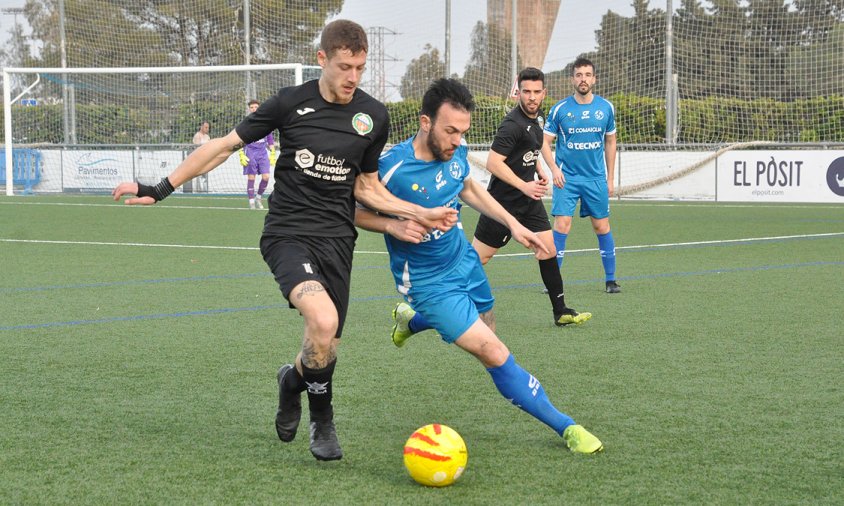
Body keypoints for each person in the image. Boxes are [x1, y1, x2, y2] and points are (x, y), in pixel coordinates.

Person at [112, 19, 457, 462]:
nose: (353, 77)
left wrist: (417, 212)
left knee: (323, 344)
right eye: (345, 66)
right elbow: (221, 147)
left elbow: (367, 188)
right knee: (322, 318)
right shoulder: (289, 103)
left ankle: (290, 381)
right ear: (322, 60)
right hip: (287, 233)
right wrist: (159, 188)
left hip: (338, 240)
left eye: (360, 67)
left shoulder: (374, 116)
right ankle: (324, 424)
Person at [355, 78, 603, 454]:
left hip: (464, 261)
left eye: (463, 132)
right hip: (427, 282)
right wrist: (392, 224)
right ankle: (567, 427)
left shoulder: (455, 150)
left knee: (488, 323)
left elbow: (469, 188)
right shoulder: (390, 169)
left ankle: (411, 321)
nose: (458, 140)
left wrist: (516, 226)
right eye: (450, 131)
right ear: (425, 123)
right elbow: (351, 209)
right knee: (494, 351)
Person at [470, 67, 591, 327]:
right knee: (477, 259)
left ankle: (560, 311)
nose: (532, 97)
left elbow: (534, 147)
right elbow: (493, 163)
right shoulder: (511, 125)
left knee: (548, 249)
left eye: (536, 92)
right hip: (501, 204)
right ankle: (447, 306)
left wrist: (540, 170)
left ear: (544, 93)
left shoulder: (538, 120)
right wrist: (524, 186)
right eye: (526, 92)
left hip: (528, 202)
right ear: (518, 93)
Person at [541, 57, 621, 293]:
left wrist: (610, 178)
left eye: (587, 75)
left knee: (601, 226)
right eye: (578, 75)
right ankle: (553, 282)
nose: (583, 79)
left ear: (594, 79)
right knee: (562, 225)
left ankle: (610, 279)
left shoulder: (605, 108)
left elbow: (611, 142)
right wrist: (554, 169)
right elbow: (544, 142)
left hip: (595, 178)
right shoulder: (560, 109)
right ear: (572, 79)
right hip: (567, 179)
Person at [238, 100, 276, 209]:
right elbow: (240, 139)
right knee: (251, 177)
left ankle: (258, 197)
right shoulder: (246, 123)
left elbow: (270, 139)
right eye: (252, 107)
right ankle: (251, 202)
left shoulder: (265, 122)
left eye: (256, 107)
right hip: (250, 151)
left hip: (262, 152)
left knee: (266, 177)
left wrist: (273, 153)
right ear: (249, 109)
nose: (254, 109)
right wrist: (241, 153)